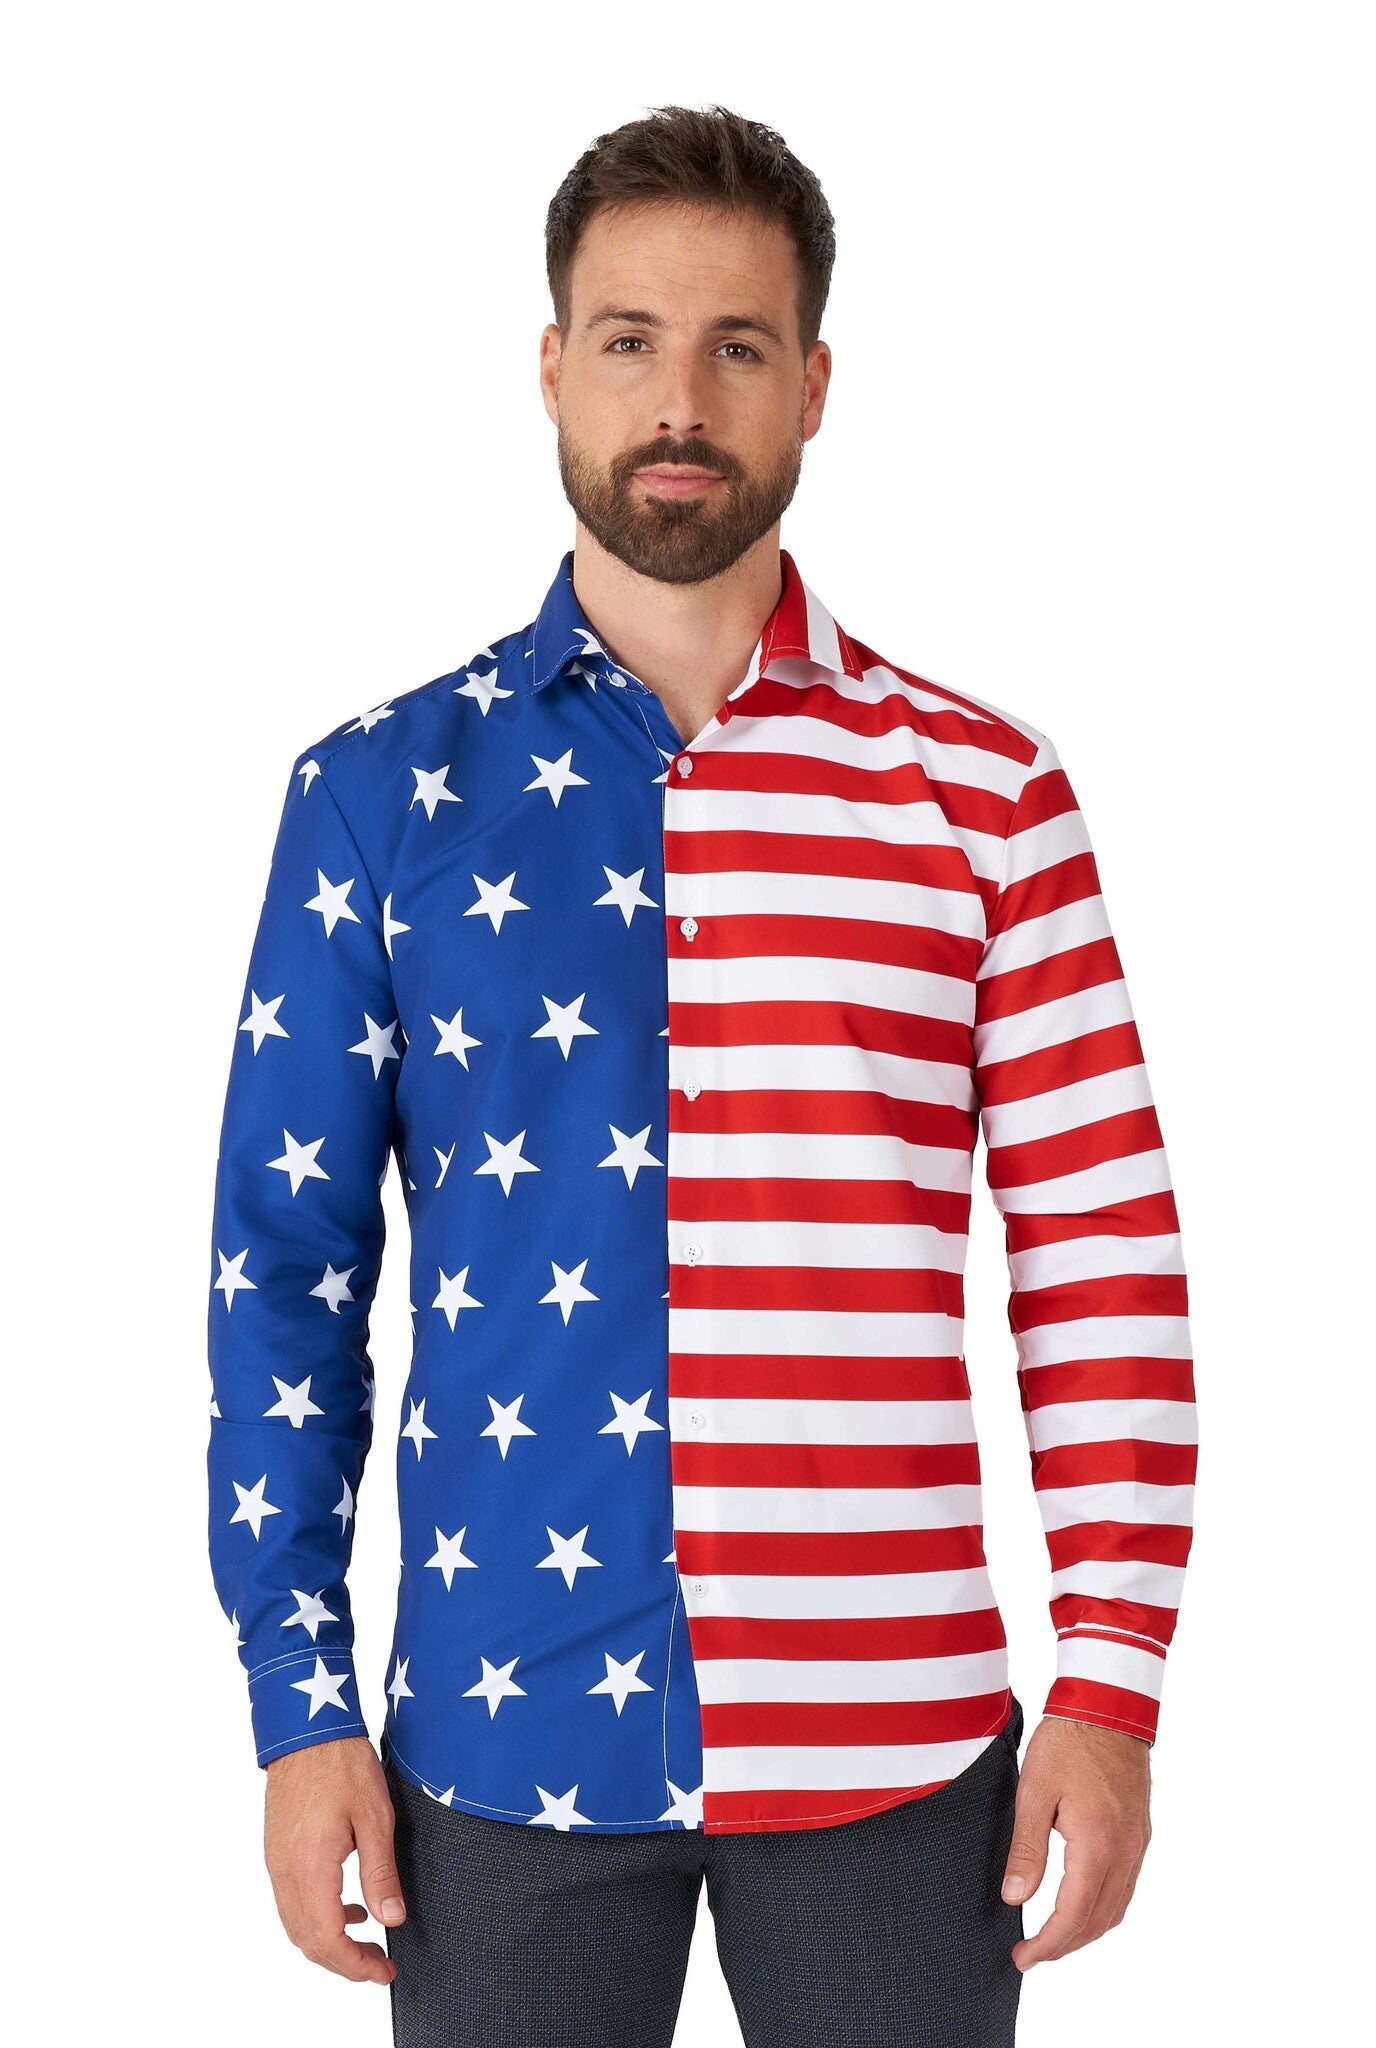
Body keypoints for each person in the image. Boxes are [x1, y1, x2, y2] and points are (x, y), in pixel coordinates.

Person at [206, 101, 1197, 2048]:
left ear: (813, 385)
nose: (679, 401)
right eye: (630, 340)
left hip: (901, 1760)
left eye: (738, 346)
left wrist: (1111, 1680)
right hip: (497, 1753)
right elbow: (284, 1278)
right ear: (550, 366)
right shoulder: (378, 799)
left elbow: (1100, 1260)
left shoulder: (983, 800)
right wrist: (295, 1706)